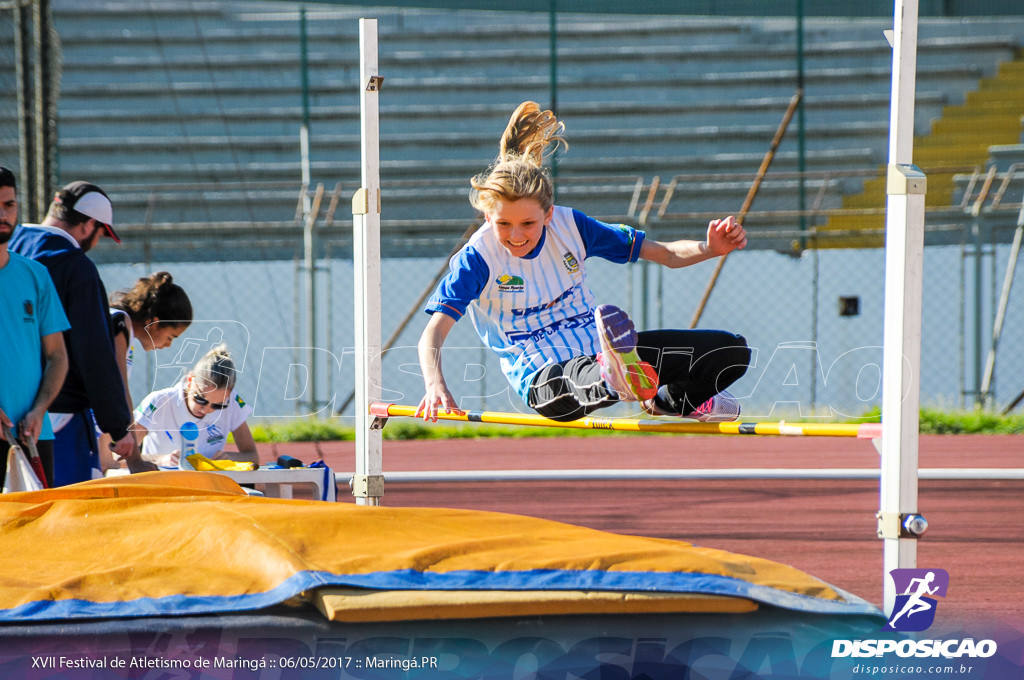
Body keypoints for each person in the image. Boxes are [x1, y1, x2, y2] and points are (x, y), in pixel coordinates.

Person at [416, 101, 751, 424]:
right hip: (545, 376)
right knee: (585, 377)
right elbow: (434, 332)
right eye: (503, 224)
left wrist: (709, 248)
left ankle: (667, 400)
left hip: (603, 350)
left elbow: (663, 253)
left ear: (548, 214)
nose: (516, 236)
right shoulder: (478, 258)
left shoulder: (572, 226)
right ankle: (614, 378)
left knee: (731, 353)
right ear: (488, 216)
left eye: (528, 224)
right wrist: (434, 385)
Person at [9, 180, 144, 484]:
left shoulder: (11, 248)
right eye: (100, 233)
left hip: (9, 409)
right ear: (89, 225)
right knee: (66, 514)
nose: (97, 242)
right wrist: (118, 426)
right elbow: (94, 353)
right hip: (56, 419)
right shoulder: (75, 267)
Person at [0, 166, 69, 488]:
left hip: (32, 436)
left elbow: (57, 356)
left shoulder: (35, 275)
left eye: (9, 205)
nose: (3, 214)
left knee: (35, 535)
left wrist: (40, 409)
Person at [98, 272, 193, 472]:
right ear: (155, 323)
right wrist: (135, 461)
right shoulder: (118, 323)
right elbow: (118, 394)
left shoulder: (125, 329)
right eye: (171, 337)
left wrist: (108, 460)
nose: (168, 345)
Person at [133, 344, 258, 468]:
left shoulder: (232, 402)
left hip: (206, 483)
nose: (206, 409)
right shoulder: (158, 402)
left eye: (218, 406)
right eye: (200, 399)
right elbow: (120, 456)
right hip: (160, 481)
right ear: (190, 379)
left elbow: (252, 456)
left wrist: (229, 458)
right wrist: (159, 459)